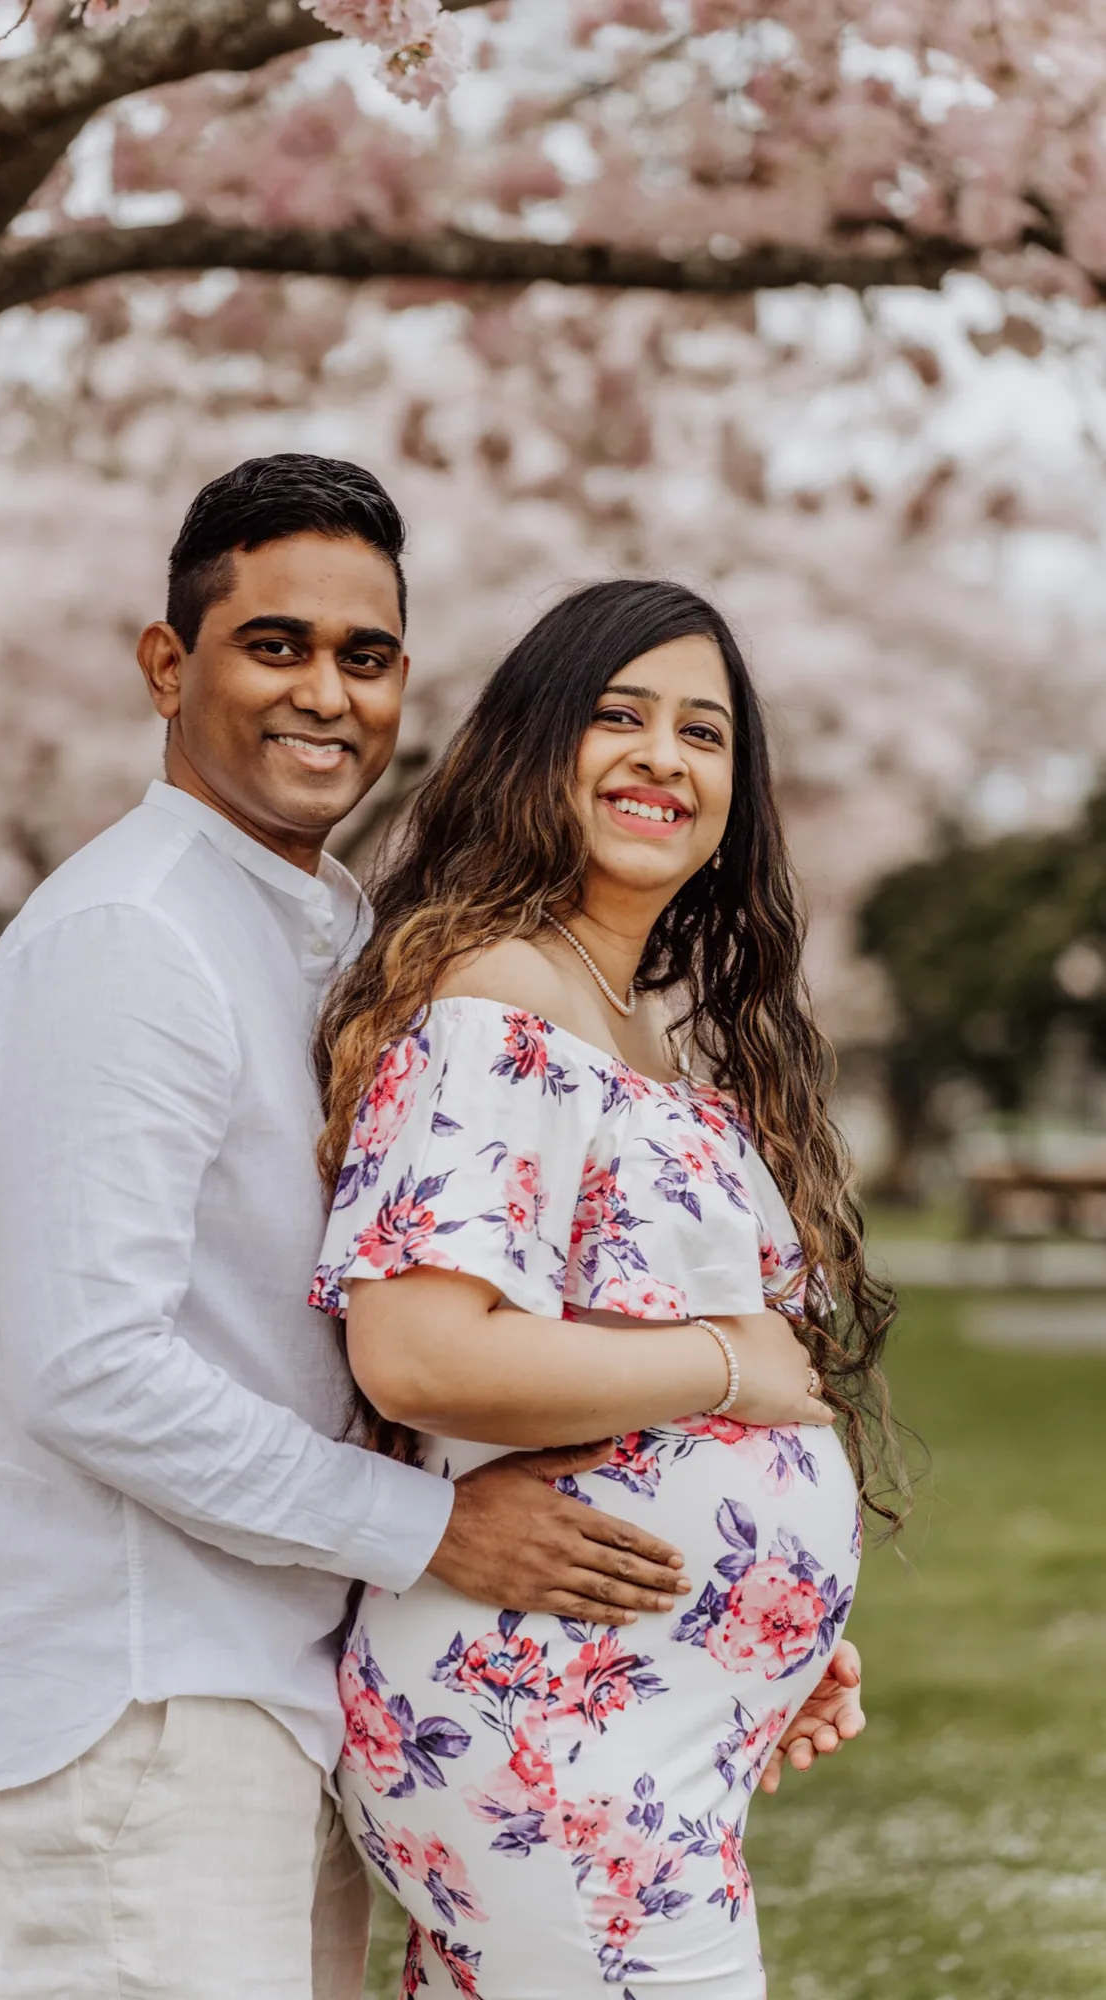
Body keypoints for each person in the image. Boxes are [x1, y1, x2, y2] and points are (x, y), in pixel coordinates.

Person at [0, 458, 733, 2000]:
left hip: (285, 1682)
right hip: (144, 1697)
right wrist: (431, 1532)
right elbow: (92, 1368)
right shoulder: (134, 935)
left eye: (363, 658)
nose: (325, 695)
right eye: (273, 644)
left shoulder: (328, 929)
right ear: (169, 664)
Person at [312, 578, 899, 1998]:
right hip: (545, 1733)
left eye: (705, 734)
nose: (664, 758)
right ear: (533, 748)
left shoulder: (629, 1022)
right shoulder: (496, 1002)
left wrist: (762, 1631)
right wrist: (725, 1367)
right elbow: (422, 1355)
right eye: (618, 716)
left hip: (616, 1719)